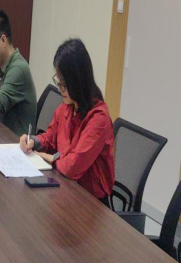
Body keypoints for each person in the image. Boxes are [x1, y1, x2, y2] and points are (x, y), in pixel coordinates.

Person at [19, 38, 115, 205]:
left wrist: (49, 157)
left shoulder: (99, 118)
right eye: (59, 82)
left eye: (64, 85)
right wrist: (33, 141)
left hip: (91, 202)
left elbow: (73, 167)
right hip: (64, 188)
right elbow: (49, 138)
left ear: (78, 82)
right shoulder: (67, 107)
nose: (60, 89)